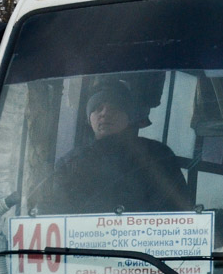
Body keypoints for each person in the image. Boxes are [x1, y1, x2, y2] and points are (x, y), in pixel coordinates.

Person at [46, 82, 188, 213]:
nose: (105, 113)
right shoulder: (70, 163)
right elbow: (56, 213)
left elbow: (178, 210)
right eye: (98, 108)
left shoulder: (158, 156)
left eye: (114, 108)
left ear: (129, 116)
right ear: (89, 118)